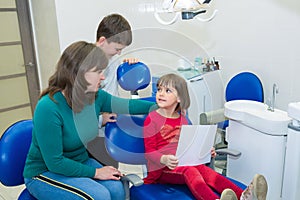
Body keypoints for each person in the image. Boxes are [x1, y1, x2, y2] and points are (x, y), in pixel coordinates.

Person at [23, 41, 156, 200]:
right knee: (99, 196)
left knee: (117, 189)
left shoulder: (95, 96)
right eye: (98, 71)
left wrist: (164, 106)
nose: (103, 76)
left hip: (79, 161)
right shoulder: (49, 107)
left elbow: (129, 105)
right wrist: (96, 173)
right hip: (44, 172)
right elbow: (55, 163)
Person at [143, 73, 268, 200]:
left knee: (207, 171)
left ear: (179, 98)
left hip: (182, 163)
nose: (161, 93)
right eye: (159, 89)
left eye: (167, 90)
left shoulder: (183, 120)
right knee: (190, 172)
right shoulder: (152, 119)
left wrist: (205, 151)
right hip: (162, 170)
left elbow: (188, 147)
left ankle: (244, 195)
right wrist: (164, 159)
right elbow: (149, 153)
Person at [88, 13, 139, 167]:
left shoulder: (114, 60)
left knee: (112, 171)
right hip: (91, 134)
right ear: (102, 41)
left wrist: (129, 64)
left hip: (110, 128)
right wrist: (99, 119)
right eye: (117, 49)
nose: (119, 53)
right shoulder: (84, 64)